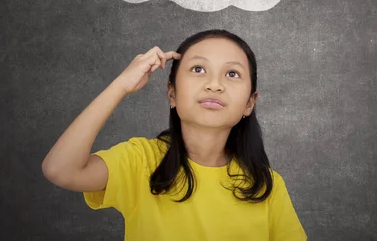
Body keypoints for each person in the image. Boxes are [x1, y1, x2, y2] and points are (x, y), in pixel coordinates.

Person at [42, 29, 307, 240]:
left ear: (250, 103)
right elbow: (60, 170)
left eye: (232, 73)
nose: (214, 84)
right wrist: (121, 85)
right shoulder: (142, 161)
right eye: (198, 69)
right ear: (172, 93)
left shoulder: (266, 185)